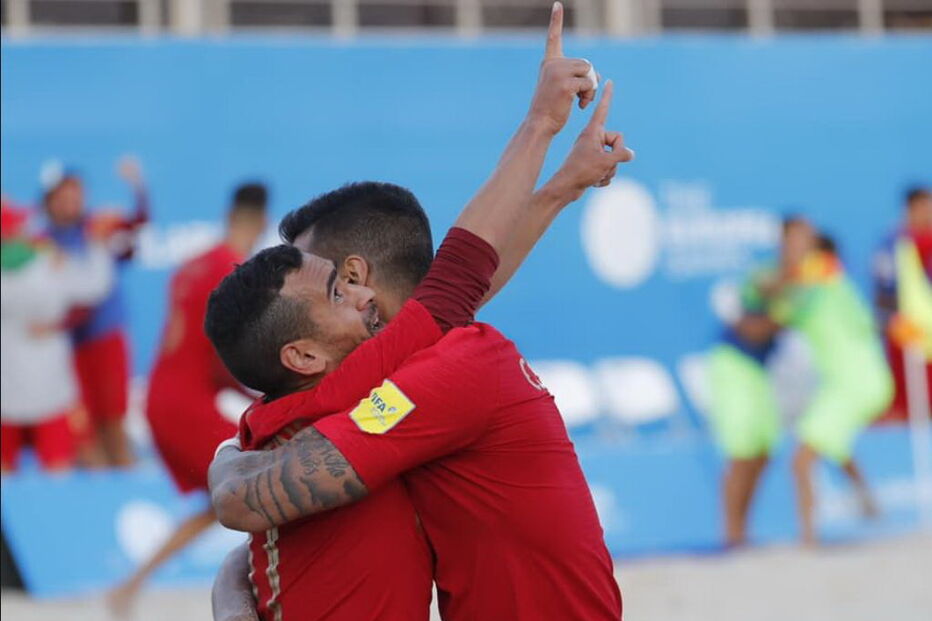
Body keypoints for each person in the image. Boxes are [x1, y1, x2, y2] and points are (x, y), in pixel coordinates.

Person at [208, 5, 630, 619]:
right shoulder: (410, 365)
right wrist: (561, 186)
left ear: (359, 276)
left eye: (338, 283)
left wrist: (543, 125)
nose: (349, 296)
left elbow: (457, 284)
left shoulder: (450, 367)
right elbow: (451, 296)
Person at [107, 183, 269, 618]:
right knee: (261, 483)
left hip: (164, 395)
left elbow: (193, 350)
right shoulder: (232, 269)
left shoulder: (193, 263)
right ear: (258, 223)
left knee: (221, 499)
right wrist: (266, 395)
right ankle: (268, 590)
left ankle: (130, 585)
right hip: (186, 401)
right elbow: (218, 362)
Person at [773, 221, 893, 545]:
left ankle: (808, 540)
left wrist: (788, 264)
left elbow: (778, 307)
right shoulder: (825, 277)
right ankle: (870, 504)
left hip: (855, 382)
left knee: (801, 459)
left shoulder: (819, 273)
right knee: (834, 443)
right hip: (856, 380)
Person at [42, 156, 150, 467]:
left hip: (105, 339)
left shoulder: (99, 227)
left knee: (113, 422)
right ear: (49, 201)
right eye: (62, 195)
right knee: (82, 431)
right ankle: (95, 498)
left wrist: (139, 188)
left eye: (75, 193)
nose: (70, 201)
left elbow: (136, 227)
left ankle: (121, 483)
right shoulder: (39, 241)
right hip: (67, 348)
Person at [1, 200, 113, 472]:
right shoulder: (48, 264)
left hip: (29, 389)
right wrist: (97, 245)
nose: (25, 232)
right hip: (48, 390)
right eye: (18, 227)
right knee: (57, 472)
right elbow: (96, 285)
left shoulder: (47, 261)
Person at [706, 266, 782, 547]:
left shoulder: (802, 281)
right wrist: (787, 312)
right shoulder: (766, 274)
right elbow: (751, 330)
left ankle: (741, 532)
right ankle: (732, 535)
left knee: (763, 451)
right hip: (734, 365)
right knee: (741, 452)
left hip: (758, 371)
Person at [873, 186, 932, 420]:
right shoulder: (893, 244)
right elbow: (884, 292)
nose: (927, 213)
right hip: (908, 335)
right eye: (923, 207)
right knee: (911, 404)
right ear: (910, 209)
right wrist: (893, 323)